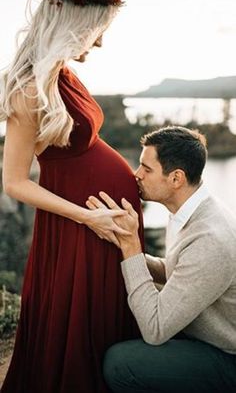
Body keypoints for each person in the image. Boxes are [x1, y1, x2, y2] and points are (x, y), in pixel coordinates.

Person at [0, 0, 144, 392]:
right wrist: (87, 218)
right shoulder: (28, 90)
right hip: (79, 225)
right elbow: (14, 183)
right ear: (70, 29)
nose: (97, 44)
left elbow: (85, 146)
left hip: (102, 222)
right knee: (81, 325)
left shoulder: (63, 74)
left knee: (104, 315)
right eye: (96, 33)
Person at [87, 126, 236, 393]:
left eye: (146, 168)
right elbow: (176, 271)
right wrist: (123, 245)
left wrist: (132, 246)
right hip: (207, 337)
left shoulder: (210, 238)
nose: (137, 174)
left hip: (228, 358)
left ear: (176, 178)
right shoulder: (191, 210)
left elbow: (155, 330)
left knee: (120, 364)